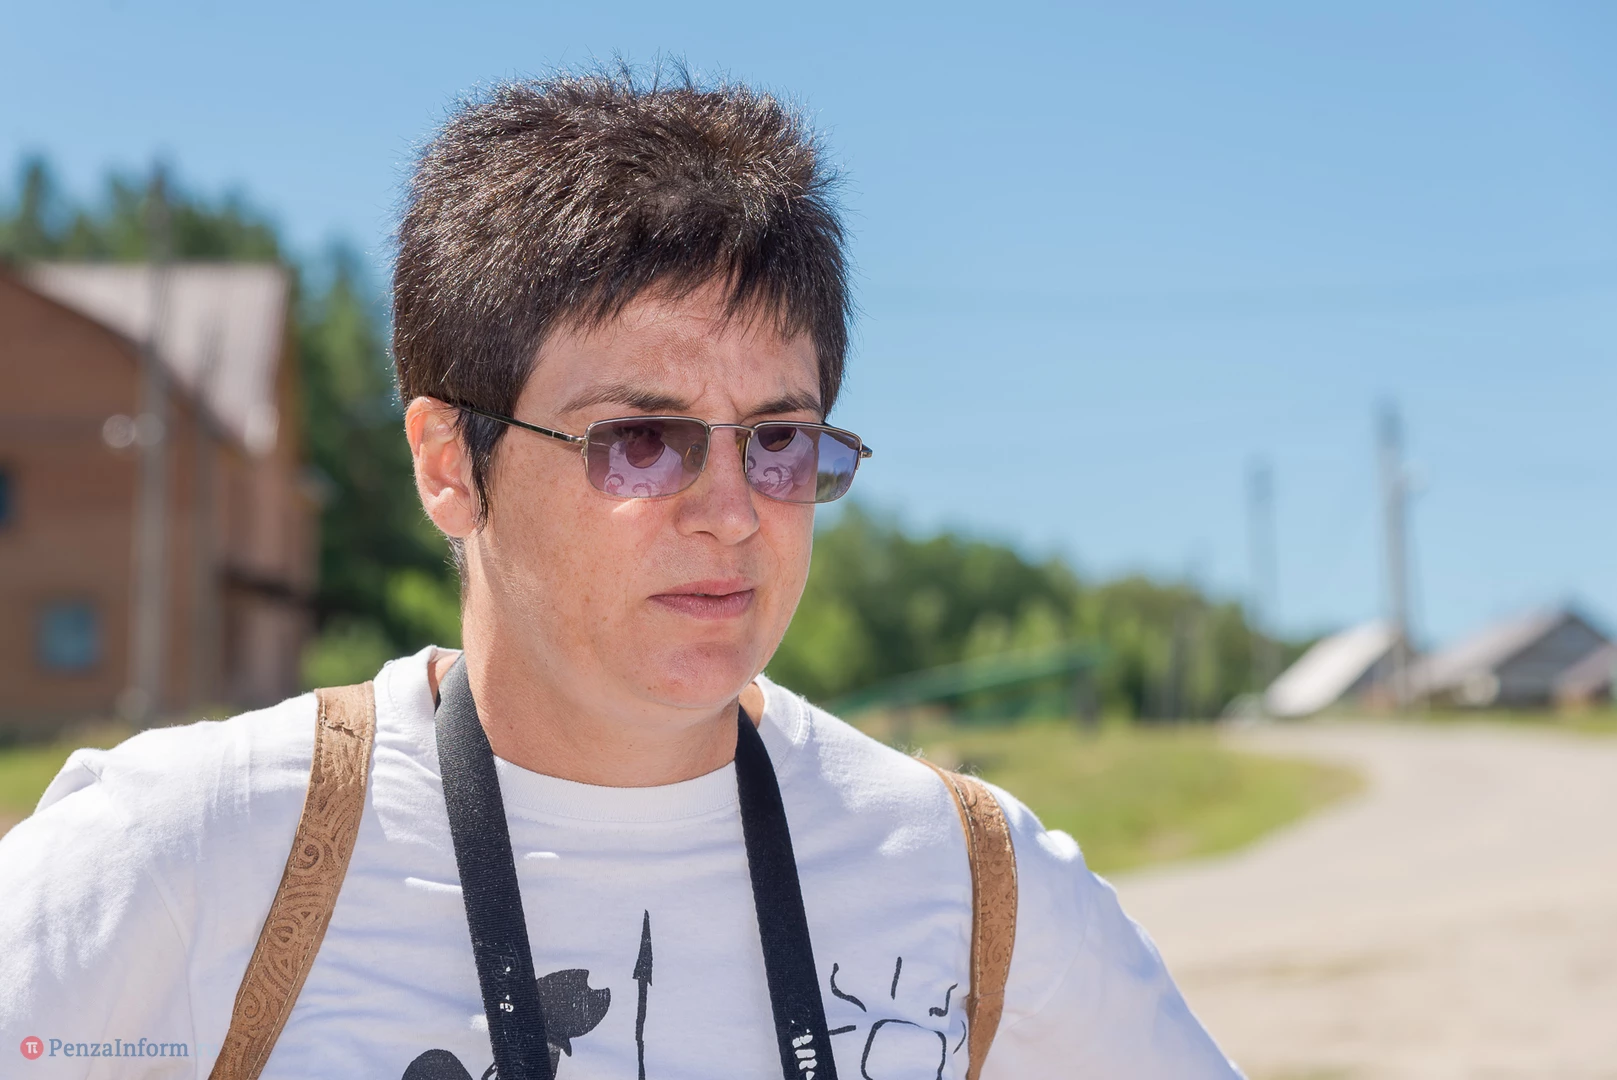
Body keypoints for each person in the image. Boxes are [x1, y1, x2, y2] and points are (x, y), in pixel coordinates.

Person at [0, 72, 1241, 1079]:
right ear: (450, 464)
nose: (732, 514)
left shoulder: (970, 880)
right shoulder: (195, 853)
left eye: (779, 440)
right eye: (641, 440)